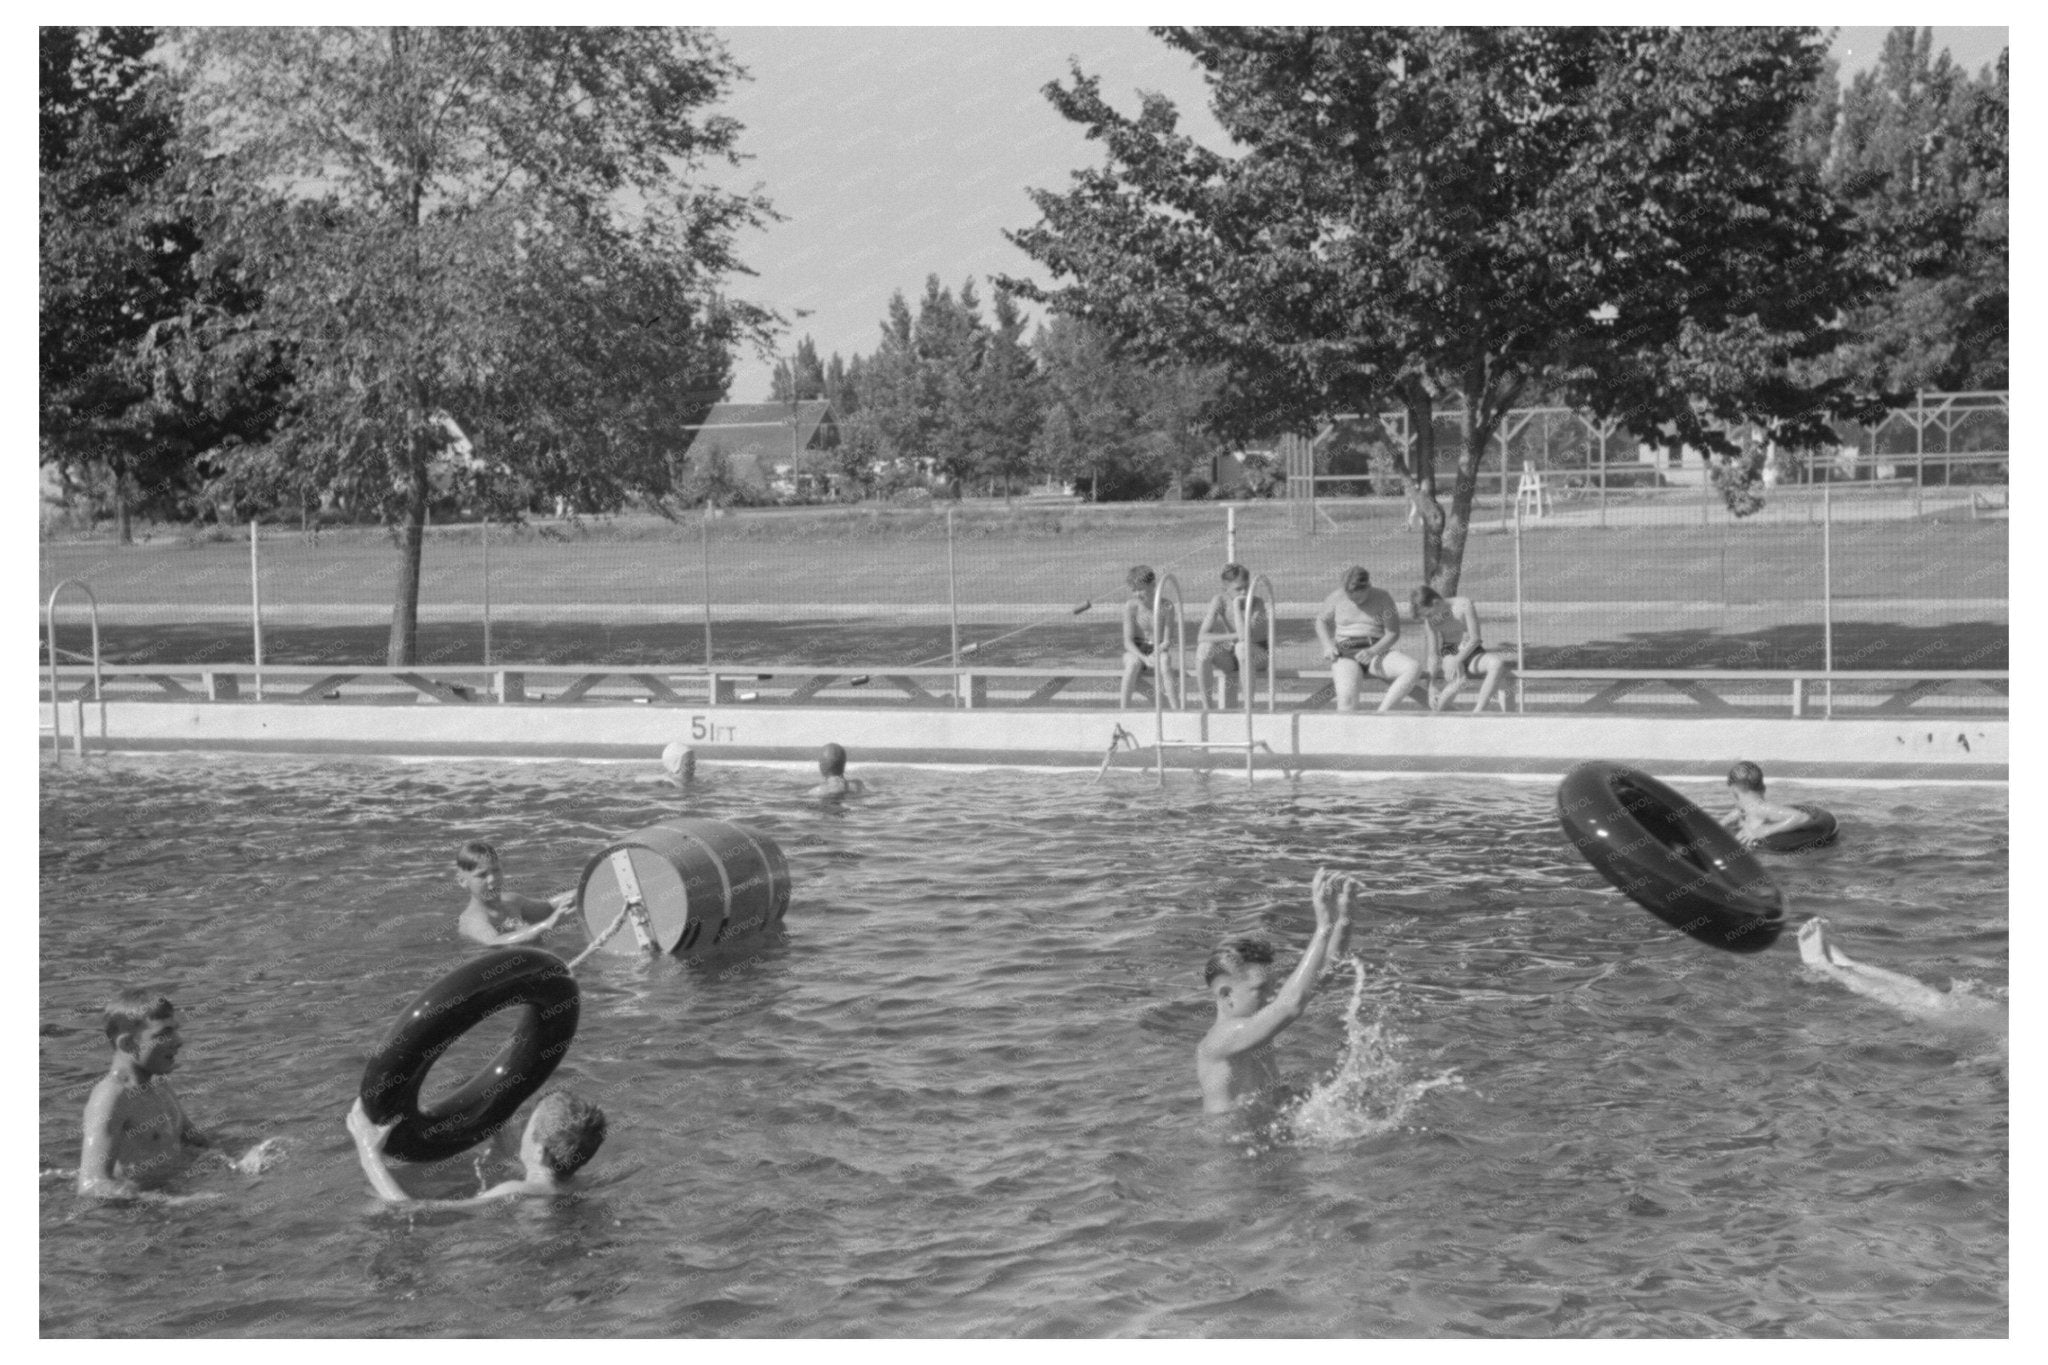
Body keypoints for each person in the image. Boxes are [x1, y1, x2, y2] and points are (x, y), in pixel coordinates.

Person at [77, 990, 279, 1199]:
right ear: (128, 1044)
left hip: (176, 1191)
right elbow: (91, 1185)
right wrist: (176, 1203)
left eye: (175, 1030)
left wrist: (243, 1162)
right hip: (143, 1219)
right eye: (163, 1034)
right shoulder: (111, 1098)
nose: (179, 1040)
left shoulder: (159, 1086)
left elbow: (197, 1142)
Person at [1196, 869, 1360, 1114]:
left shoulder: (1254, 1028)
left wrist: (1344, 916)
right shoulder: (1219, 1041)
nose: (1272, 997)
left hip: (1267, 1131)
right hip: (1235, 1147)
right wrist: (1323, 927)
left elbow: (1323, 976)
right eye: (1261, 990)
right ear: (1226, 995)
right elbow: (1290, 1004)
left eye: (1274, 988)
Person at [346, 1091, 607, 1208]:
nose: (524, 1128)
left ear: (539, 1152)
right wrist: (492, 1122)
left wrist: (369, 1154)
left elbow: (413, 1208)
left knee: (376, 1207)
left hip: (528, 1264)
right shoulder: (582, 1184)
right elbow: (521, 1162)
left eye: (529, 1125)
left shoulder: (514, 1192)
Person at [1798, 919, 2000, 1024]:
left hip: (1976, 1025)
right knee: (1919, 990)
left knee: (1922, 1001)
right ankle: (1846, 964)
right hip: (1990, 1018)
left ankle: (1825, 966)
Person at [1314, 566, 1424, 712]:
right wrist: (1327, 645)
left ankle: (1381, 715)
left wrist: (1372, 651)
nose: (1354, 600)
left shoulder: (1383, 597)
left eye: (1358, 596)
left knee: (1413, 667)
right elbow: (1320, 621)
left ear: (1368, 587)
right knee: (1346, 699)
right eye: (1349, 596)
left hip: (1377, 651)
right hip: (1346, 653)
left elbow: (1393, 633)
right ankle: (1347, 734)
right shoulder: (1337, 597)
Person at [1411, 585, 1512, 714]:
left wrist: (1458, 659)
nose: (1429, 618)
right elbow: (1433, 655)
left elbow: (1475, 639)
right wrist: (1431, 687)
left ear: (1436, 603)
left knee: (1497, 664)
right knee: (1460, 680)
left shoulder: (1464, 605)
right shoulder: (1430, 621)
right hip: (1450, 651)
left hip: (1471, 651)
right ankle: (1437, 713)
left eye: (1429, 614)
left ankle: (1477, 713)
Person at [455, 841, 576, 946]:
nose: (492, 879)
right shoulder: (473, 919)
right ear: (462, 881)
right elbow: (494, 942)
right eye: (482, 875)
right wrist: (546, 925)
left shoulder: (512, 901)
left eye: (496, 870)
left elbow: (548, 907)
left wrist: (585, 889)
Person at [1195, 563, 1270, 711]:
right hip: (1232, 654)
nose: (1244, 592)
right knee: (1204, 649)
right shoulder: (1219, 600)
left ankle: (1249, 708)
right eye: (1238, 589)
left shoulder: (1256, 603)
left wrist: (1236, 605)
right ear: (1226, 589)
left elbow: (1244, 638)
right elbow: (1201, 636)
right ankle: (1207, 709)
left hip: (1257, 655)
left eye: (1246, 587)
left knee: (1242, 648)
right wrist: (1231, 637)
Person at [1119, 564, 1182, 709]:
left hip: (1158, 648)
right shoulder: (1131, 607)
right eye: (1134, 590)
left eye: (1140, 589)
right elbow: (1127, 642)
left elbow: (1167, 641)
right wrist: (1143, 657)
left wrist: (1154, 653)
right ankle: (1123, 711)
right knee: (1132, 663)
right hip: (1136, 650)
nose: (1137, 594)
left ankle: (1176, 710)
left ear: (1153, 585)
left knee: (1165, 661)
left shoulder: (1166, 606)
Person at [1721, 761, 1812, 847]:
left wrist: (1766, 830)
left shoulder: (1761, 808)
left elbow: (1802, 817)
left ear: (1733, 790)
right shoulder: (1744, 811)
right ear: (1762, 788)